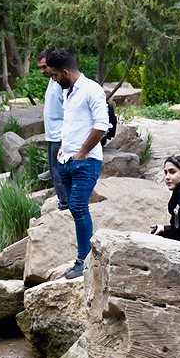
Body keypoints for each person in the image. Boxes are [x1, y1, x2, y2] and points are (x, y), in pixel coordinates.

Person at [45, 48, 109, 279]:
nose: (53, 79)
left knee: (79, 207)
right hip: (66, 159)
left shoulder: (92, 89)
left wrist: (82, 152)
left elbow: (102, 125)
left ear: (65, 72)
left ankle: (84, 260)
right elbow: (71, 123)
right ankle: (85, 257)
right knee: (75, 208)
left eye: (54, 75)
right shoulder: (67, 92)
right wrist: (63, 148)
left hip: (86, 161)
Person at [37, 51, 69, 211]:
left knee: (58, 172)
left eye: (44, 67)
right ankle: (63, 200)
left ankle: (65, 204)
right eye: (40, 68)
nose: (42, 71)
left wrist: (65, 138)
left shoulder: (61, 83)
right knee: (53, 169)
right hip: (51, 134)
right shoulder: (52, 81)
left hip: (59, 134)